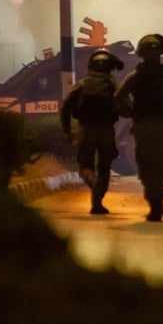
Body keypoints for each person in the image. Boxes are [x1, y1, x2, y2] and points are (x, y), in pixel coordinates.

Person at [114, 34, 163, 222]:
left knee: (147, 165)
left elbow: (117, 99)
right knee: (162, 163)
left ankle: (155, 201)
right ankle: (159, 198)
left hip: (143, 127)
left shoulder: (135, 75)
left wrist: (131, 113)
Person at [60, 48, 126, 215]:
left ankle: (91, 181)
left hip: (85, 130)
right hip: (106, 131)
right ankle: (97, 204)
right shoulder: (113, 85)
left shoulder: (82, 84)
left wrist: (67, 131)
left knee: (85, 166)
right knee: (104, 168)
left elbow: (65, 107)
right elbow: (126, 104)